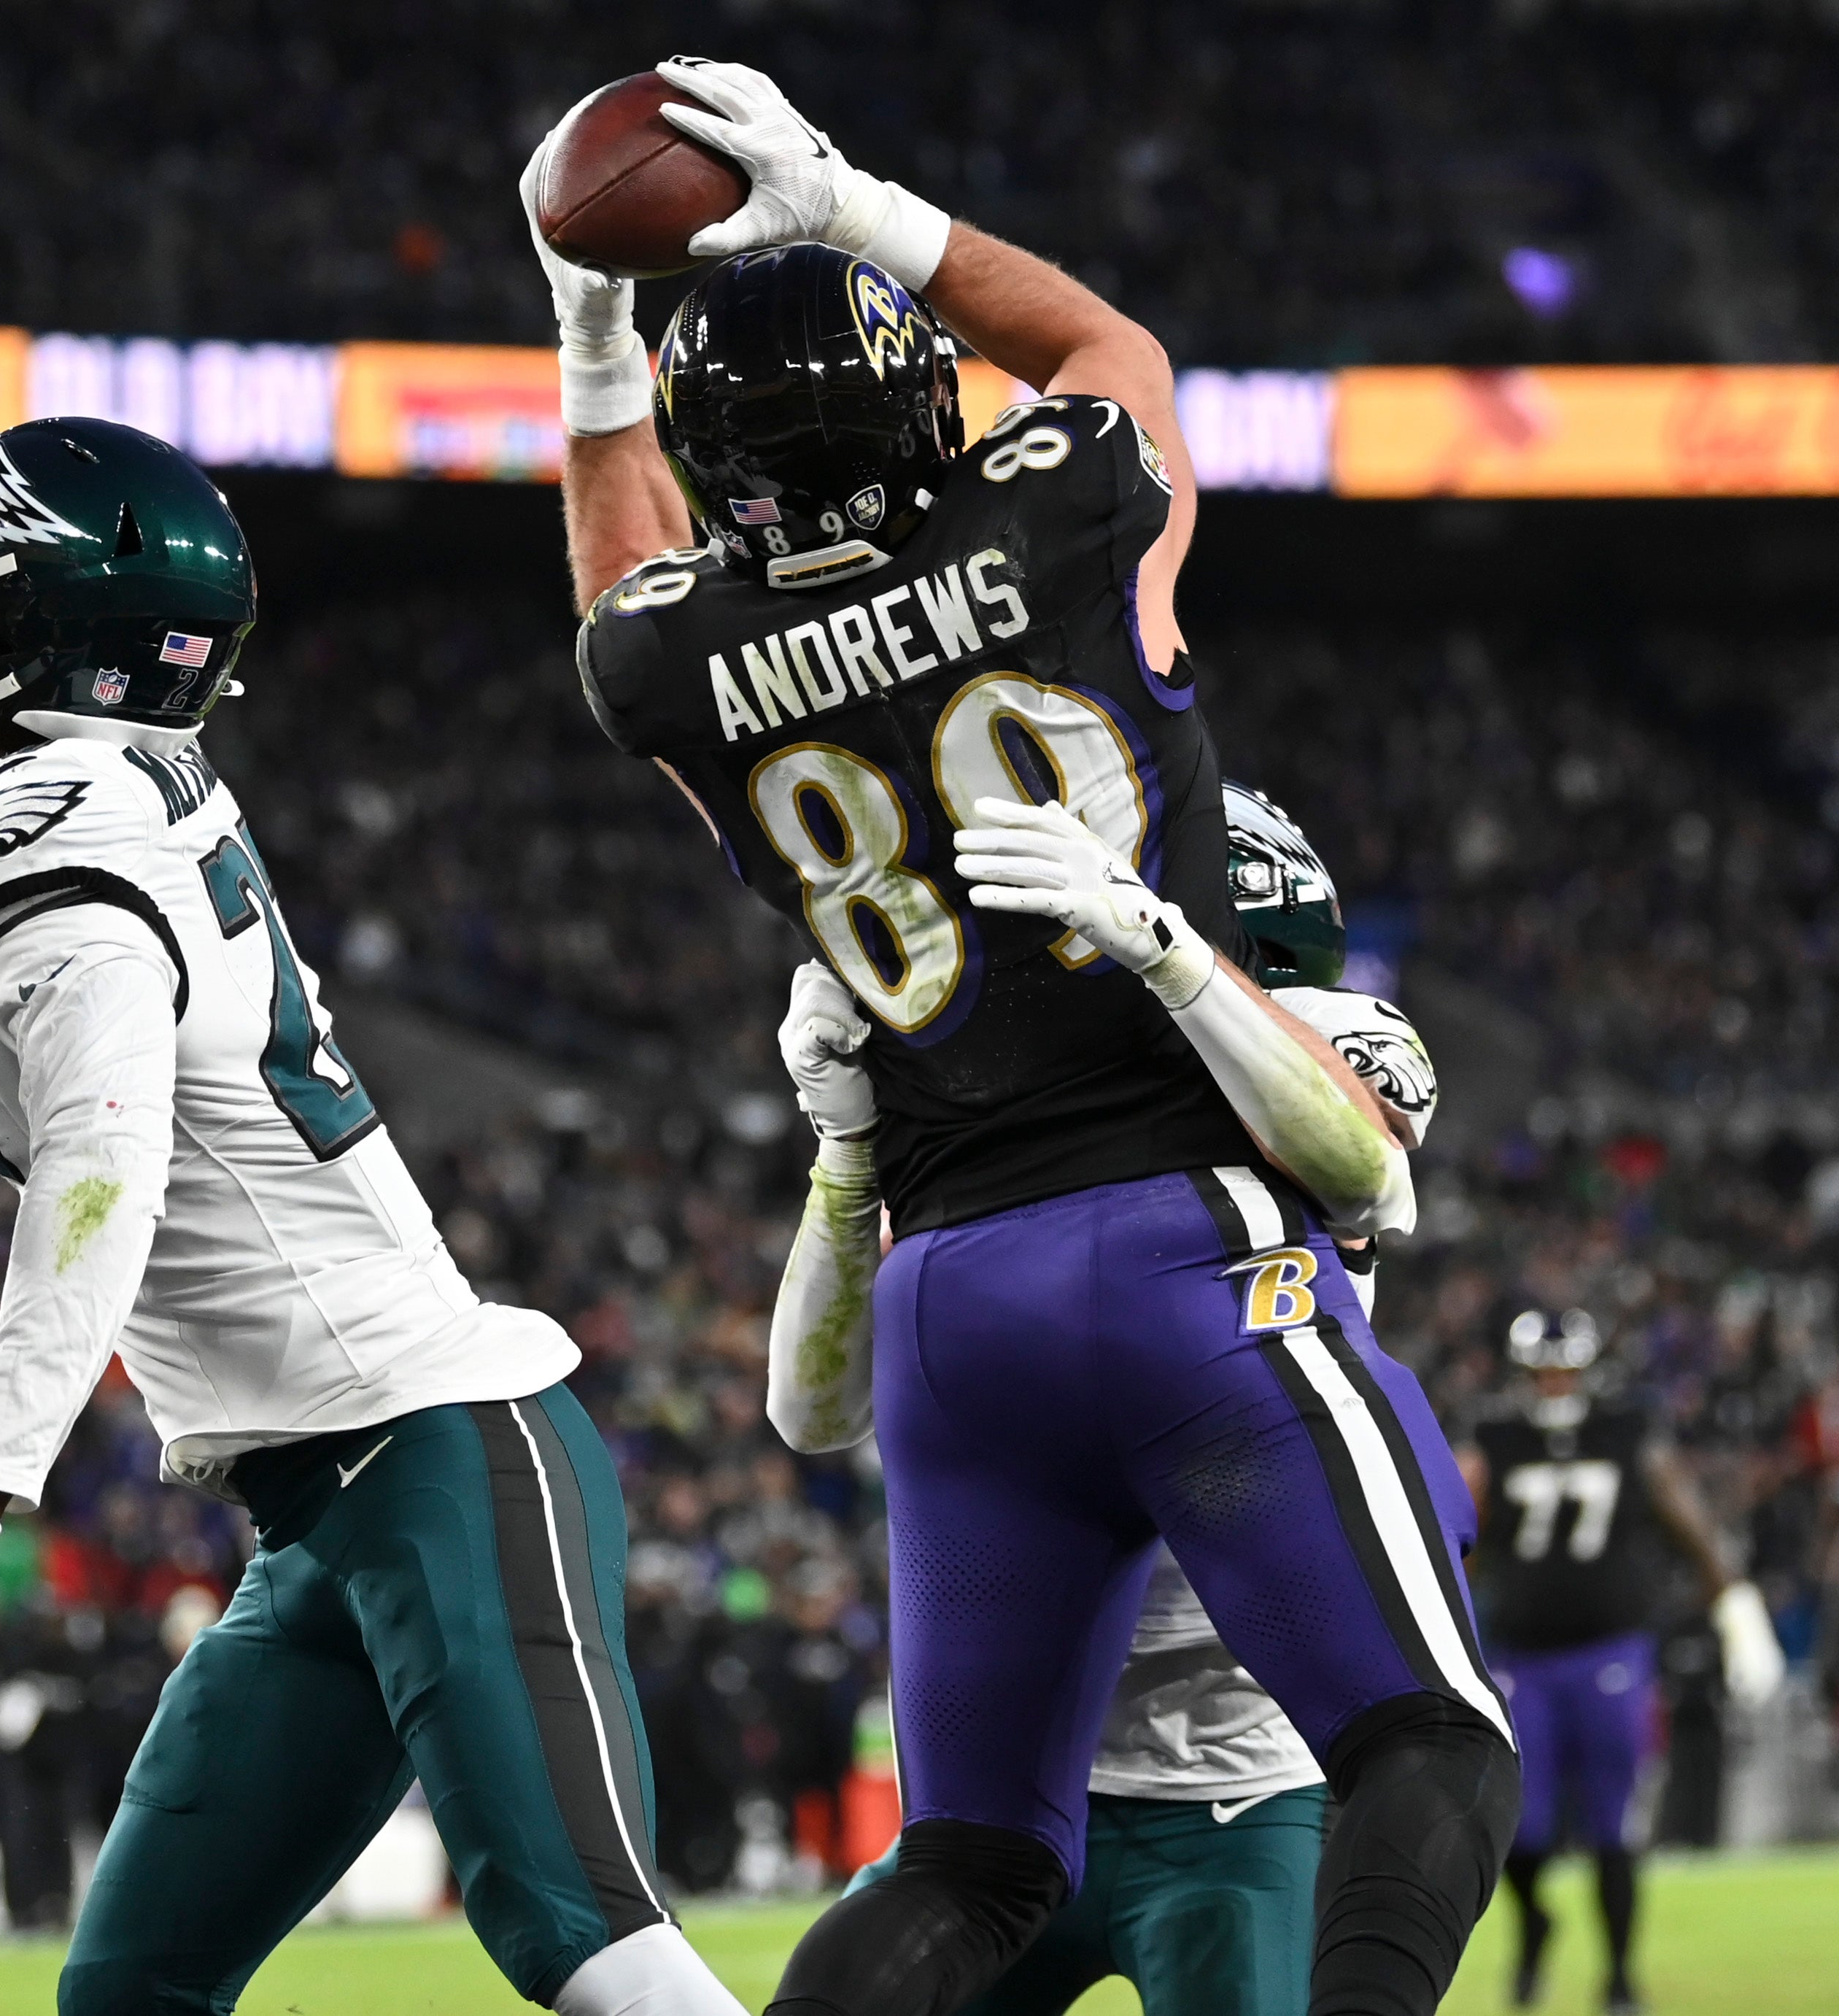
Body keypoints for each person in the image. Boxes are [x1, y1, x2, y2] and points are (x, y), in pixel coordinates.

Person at [538, 58, 1516, 2016]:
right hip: (1172, 1234)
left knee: (973, 1859)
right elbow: (1106, 350)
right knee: (1429, 1744)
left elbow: (626, 586)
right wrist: (856, 206)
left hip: (944, 1294)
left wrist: (590, 346)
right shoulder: (1059, 522)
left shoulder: (676, 664)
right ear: (926, 404)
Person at [0, 415, 747, 2014]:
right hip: (318, 1512)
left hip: (436, 1448)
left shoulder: (33, 833)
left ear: (39, 626)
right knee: (130, 1994)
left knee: (593, 1949)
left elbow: (104, 1170)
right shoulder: (116, 781)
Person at [825, 787, 1444, 2016]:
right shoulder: (992, 1128)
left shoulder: (1312, 1045)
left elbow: (1368, 1146)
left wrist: (1156, 950)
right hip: (1017, 1774)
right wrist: (846, 1142)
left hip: (1230, 1777)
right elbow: (819, 1400)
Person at [1458, 1308, 1786, 2014]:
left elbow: (1689, 1524)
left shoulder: (1627, 1433)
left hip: (1611, 1652)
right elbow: (1457, 1539)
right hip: (1523, 1659)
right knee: (1521, 1829)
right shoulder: (1495, 1441)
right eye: (1541, 1371)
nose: (1552, 1383)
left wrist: (1738, 1613)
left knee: (1615, 1825)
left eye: (1563, 1369)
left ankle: (1619, 1975)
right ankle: (1536, 1924)